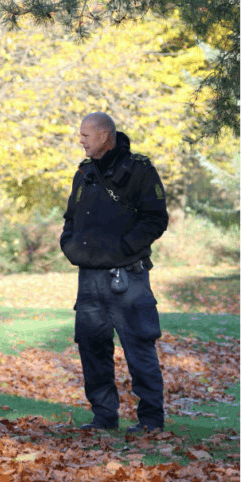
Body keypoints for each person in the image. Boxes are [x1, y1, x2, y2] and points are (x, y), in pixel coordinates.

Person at [60, 112, 169, 433]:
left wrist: (122, 250)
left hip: (128, 280)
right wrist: (70, 246)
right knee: (91, 349)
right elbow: (70, 218)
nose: (80, 140)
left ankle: (151, 420)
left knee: (139, 348)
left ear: (106, 136)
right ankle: (104, 416)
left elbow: (155, 219)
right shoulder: (84, 173)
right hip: (90, 281)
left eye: (86, 135)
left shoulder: (140, 171)